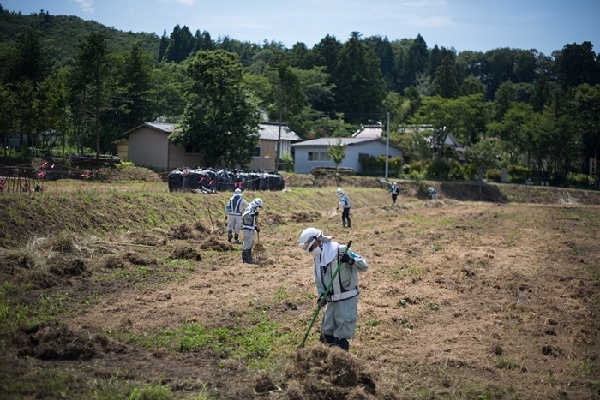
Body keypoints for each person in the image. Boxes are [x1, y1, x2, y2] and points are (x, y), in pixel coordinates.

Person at [298, 227, 368, 351]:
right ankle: (324, 362)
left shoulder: (341, 250)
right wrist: (321, 295)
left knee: (340, 336)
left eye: (312, 248)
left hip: (346, 300)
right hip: (331, 302)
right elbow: (319, 281)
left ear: (319, 240)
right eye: (309, 250)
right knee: (326, 333)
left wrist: (350, 261)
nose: (312, 252)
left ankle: (341, 363)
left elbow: (364, 266)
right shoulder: (318, 258)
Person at [241, 198, 263, 264]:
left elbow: (253, 220)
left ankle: (249, 257)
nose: (258, 208)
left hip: (250, 228)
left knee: (250, 243)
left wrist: (255, 227)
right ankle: (246, 259)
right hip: (247, 228)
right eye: (258, 207)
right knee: (247, 243)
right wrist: (253, 214)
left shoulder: (253, 209)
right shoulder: (250, 208)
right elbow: (245, 216)